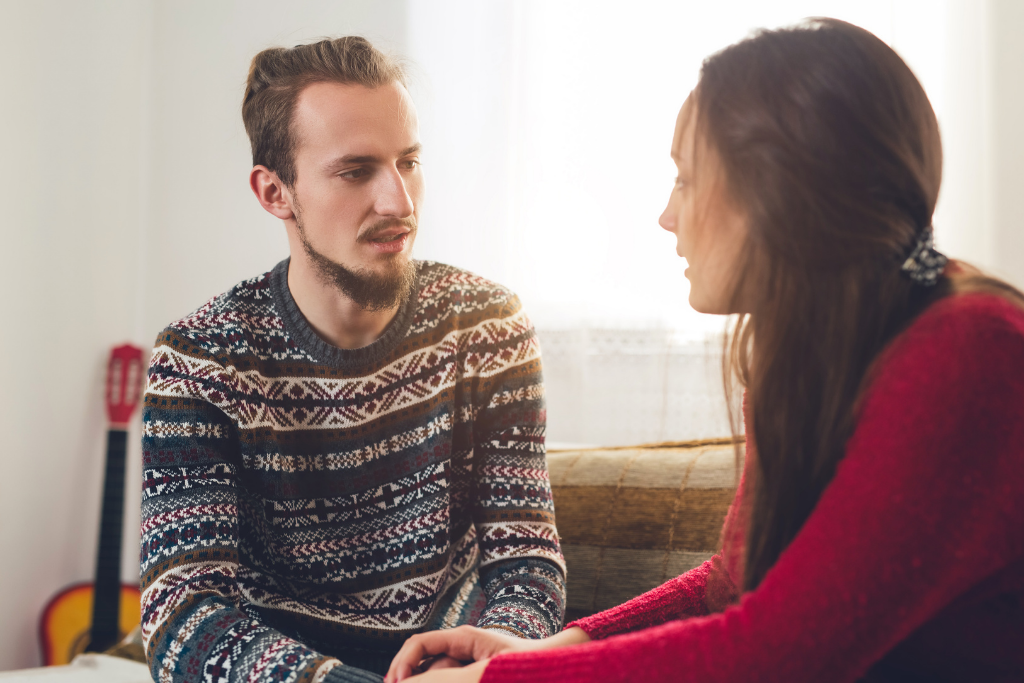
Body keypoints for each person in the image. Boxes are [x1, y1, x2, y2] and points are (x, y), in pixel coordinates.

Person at [384, 18, 1024, 683]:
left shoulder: (968, 353)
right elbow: (737, 585)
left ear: (777, 191)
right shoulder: (816, 349)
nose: (667, 214)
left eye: (686, 180)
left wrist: (491, 681)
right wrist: (555, 647)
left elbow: (773, 651)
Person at [139, 37, 566, 683]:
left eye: (409, 162)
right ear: (275, 191)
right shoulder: (201, 358)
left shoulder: (487, 325)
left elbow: (525, 559)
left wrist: (492, 653)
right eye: (355, 170)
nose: (399, 202)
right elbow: (182, 610)